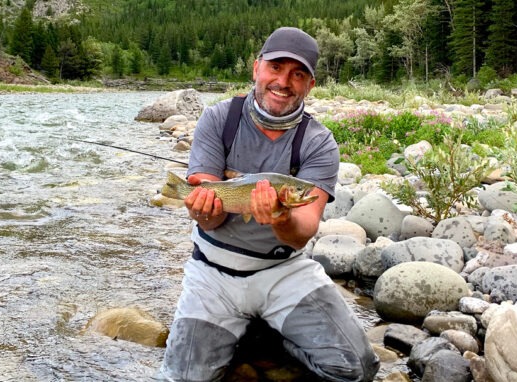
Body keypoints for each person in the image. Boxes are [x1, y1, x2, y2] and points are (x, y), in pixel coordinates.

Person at [157, 27, 379, 382]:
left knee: (357, 368)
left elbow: (301, 233)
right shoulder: (219, 119)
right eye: (276, 68)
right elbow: (210, 216)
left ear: (310, 85)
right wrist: (200, 209)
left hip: (284, 271)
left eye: (298, 74)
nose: (284, 81)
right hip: (213, 272)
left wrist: (280, 219)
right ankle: (256, 333)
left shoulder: (319, 143)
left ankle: (272, 338)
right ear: (257, 68)